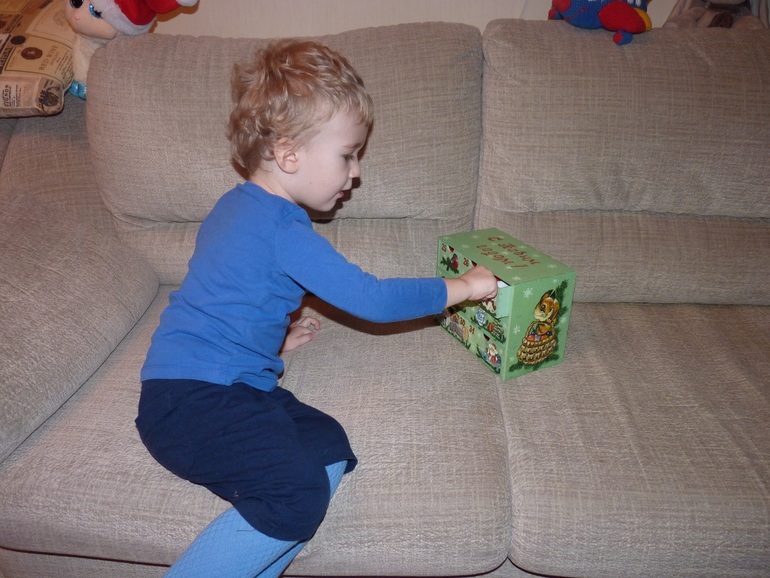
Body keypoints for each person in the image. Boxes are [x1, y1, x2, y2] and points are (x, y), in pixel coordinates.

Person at [135, 39, 498, 578]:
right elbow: (372, 300)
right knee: (296, 494)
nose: (356, 173)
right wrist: (461, 287)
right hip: (194, 399)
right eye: (348, 155)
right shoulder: (285, 229)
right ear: (289, 155)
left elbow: (225, 289)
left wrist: (272, 339)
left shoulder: (234, 205)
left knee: (329, 448)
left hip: (205, 387)